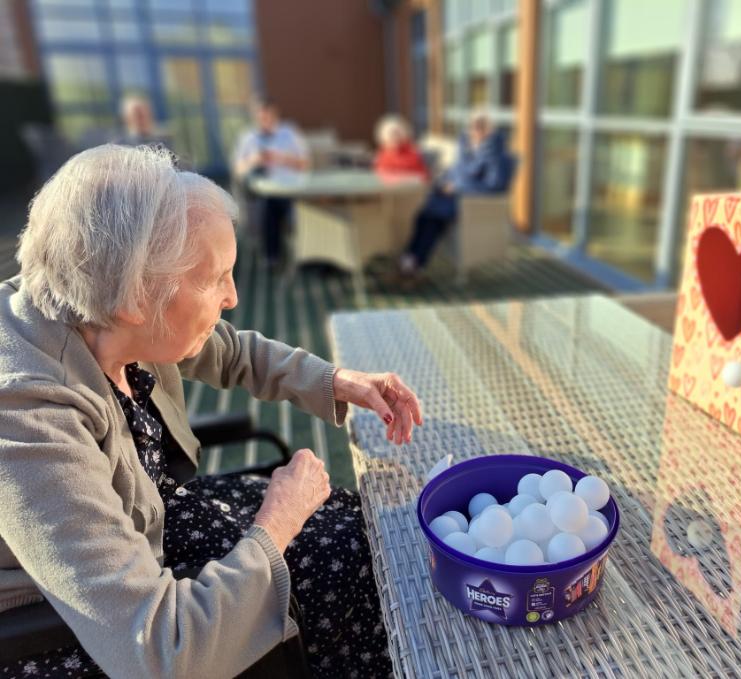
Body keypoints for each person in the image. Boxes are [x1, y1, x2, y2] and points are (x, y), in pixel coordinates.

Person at [0, 144, 422, 679]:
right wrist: (280, 519)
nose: (233, 296)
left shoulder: (95, 304)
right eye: (215, 277)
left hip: (151, 520)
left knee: (355, 524)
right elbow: (162, 652)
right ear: (136, 294)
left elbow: (228, 348)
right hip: (87, 626)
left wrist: (336, 381)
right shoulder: (26, 417)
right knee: (350, 575)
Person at [399, 111, 515, 278]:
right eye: (473, 126)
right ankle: (411, 260)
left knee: (433, 217)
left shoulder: (500, 157)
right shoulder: (465, 150)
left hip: (474, 204)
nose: (476, 131)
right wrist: (443, 184)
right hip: (453, 199)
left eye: (482, 126)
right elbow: (452, 173)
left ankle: (413, 262)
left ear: (491, 130)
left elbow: (495, 187)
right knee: (423, 215)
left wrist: (458, 187)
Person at [232, 99, 310, 268]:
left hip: (291, 188)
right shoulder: (248, 138)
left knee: (284, 206)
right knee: (268, 204)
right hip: (261, 190)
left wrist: (281, 158)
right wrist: (254, 160)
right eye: (261, 119)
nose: (265, 123)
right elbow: (238, 170)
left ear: (276, 116)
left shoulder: (289, 134)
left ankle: (298, 251)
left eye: (268, 118)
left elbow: (305, 164)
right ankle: (273, 255)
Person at [372, 114, 429, 180]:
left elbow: (423, 176)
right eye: (390, 134)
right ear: (383, 137)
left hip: (409, 188)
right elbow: (378, 176)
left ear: (403, 134)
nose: (393, 137)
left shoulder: (412, 153)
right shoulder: (381, 155)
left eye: (397, 133)